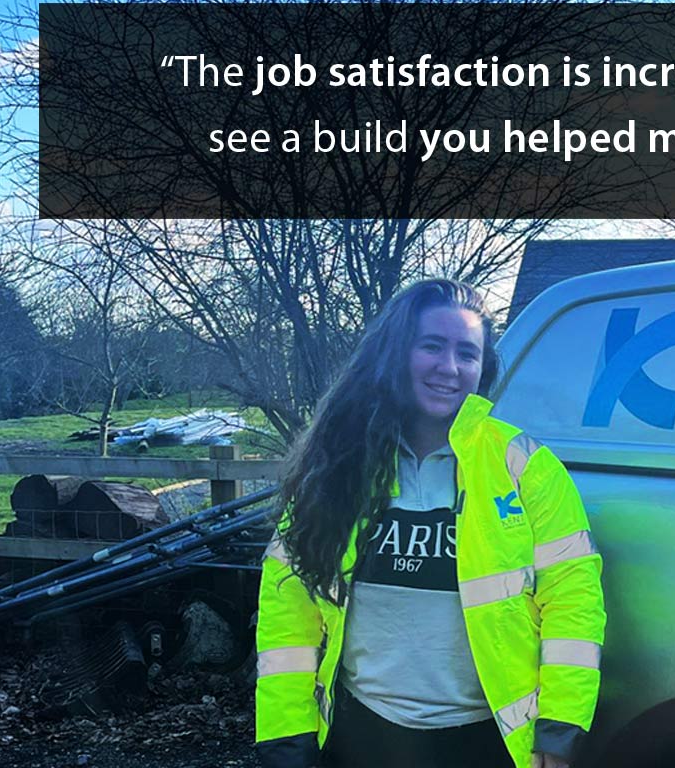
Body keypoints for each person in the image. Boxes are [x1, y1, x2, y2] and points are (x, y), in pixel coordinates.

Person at [254, 279, 605, 768]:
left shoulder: (523, 465)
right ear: (395, 353)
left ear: (483, 368)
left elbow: (573, 601)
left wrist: (560, 728)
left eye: (467, 352)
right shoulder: (335, 464)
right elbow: (288, 610)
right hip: (360, 737)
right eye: (432, 346)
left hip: (489, 743)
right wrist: (286, 736)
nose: (450, 368)